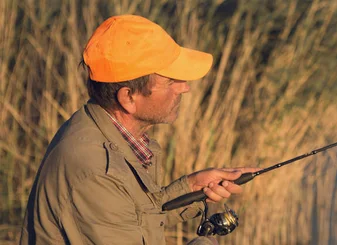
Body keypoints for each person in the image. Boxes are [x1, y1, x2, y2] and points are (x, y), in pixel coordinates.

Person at [20, 15, 258, 245]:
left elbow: (129, 216)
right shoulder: (95, 171)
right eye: (171, 81)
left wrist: (191, 188)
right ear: (128, 97)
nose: (184, 88)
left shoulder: (105, 132)